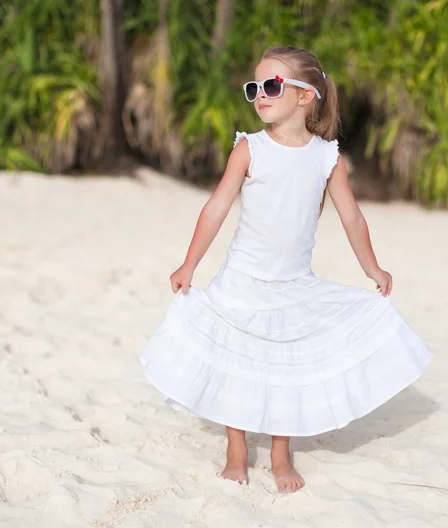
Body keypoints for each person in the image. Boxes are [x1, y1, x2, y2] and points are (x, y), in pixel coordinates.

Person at [138, 45, 433, 494]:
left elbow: (351, 216)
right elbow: (218, 206)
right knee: (237, 363)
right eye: (254, 87)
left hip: (293, 285)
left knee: (284, 366)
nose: (260, 94)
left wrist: (372, 267)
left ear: (305, 95)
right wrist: (189, 262)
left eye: (271, 85)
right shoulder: (249, 148)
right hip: (242, 280)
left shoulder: (326, 157)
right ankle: (235, 448)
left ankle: (280, 453)